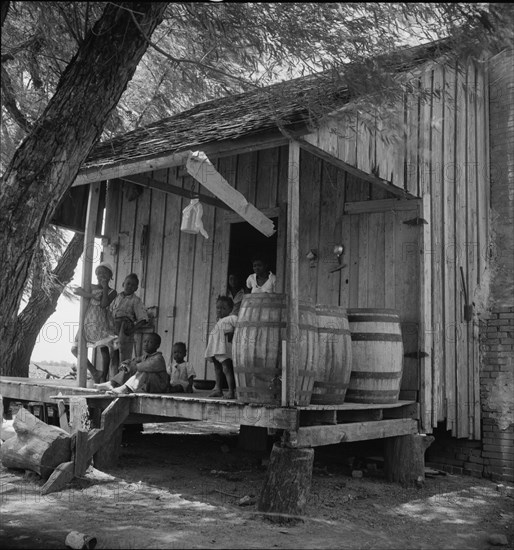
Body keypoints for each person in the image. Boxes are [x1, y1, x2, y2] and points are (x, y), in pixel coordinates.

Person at [71, 262, 117, 383]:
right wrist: (91, 295)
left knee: (103, 348)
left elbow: (103, 304)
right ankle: (94, 372)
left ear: (110, 275)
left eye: (104, 273)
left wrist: (105, 287)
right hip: (87, 322)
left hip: (101, 322)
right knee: (75, 349)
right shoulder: (91, 286)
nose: (100, 276)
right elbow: (75, 290)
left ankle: (103, 378)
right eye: (98, 273)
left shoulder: (112, 291)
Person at [95, 332, 168, 394]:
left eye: (150, 342)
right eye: (145, 341)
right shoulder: (145, 357)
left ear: (157, 346)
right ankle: (112, 383)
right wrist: (125, 364)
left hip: (159, 386)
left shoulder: (158, 358)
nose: (146, 344)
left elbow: (143, 366)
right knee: (128, 368)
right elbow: (133, 361)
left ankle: (125, 388)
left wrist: (131, 366)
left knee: (143, 371)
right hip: (149, 385)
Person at [109, 273, 148, 375]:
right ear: (123, 284)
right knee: (113, 355)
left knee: (124, 357)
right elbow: (110, 311)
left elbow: (143, 319)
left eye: (133, 285)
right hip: (113, 328)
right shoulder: (117, 297)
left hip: (125, 329)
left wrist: (132, 330)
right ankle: (113, 379)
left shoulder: (136, 300)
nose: (130, 286)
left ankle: (122, 380)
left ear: (136, 288)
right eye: (128, 283)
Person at [205, 296, 238, 399]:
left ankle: (231, 391)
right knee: (217, 368)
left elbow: (240, 327)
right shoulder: (219, 321)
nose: (220, 310)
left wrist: (232, 333)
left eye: (223, 308)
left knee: (226, 368)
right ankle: (218, 389)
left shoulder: (232, 318)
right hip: (215, 348)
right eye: (218, 307)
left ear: (230, 309)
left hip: (224, 349)